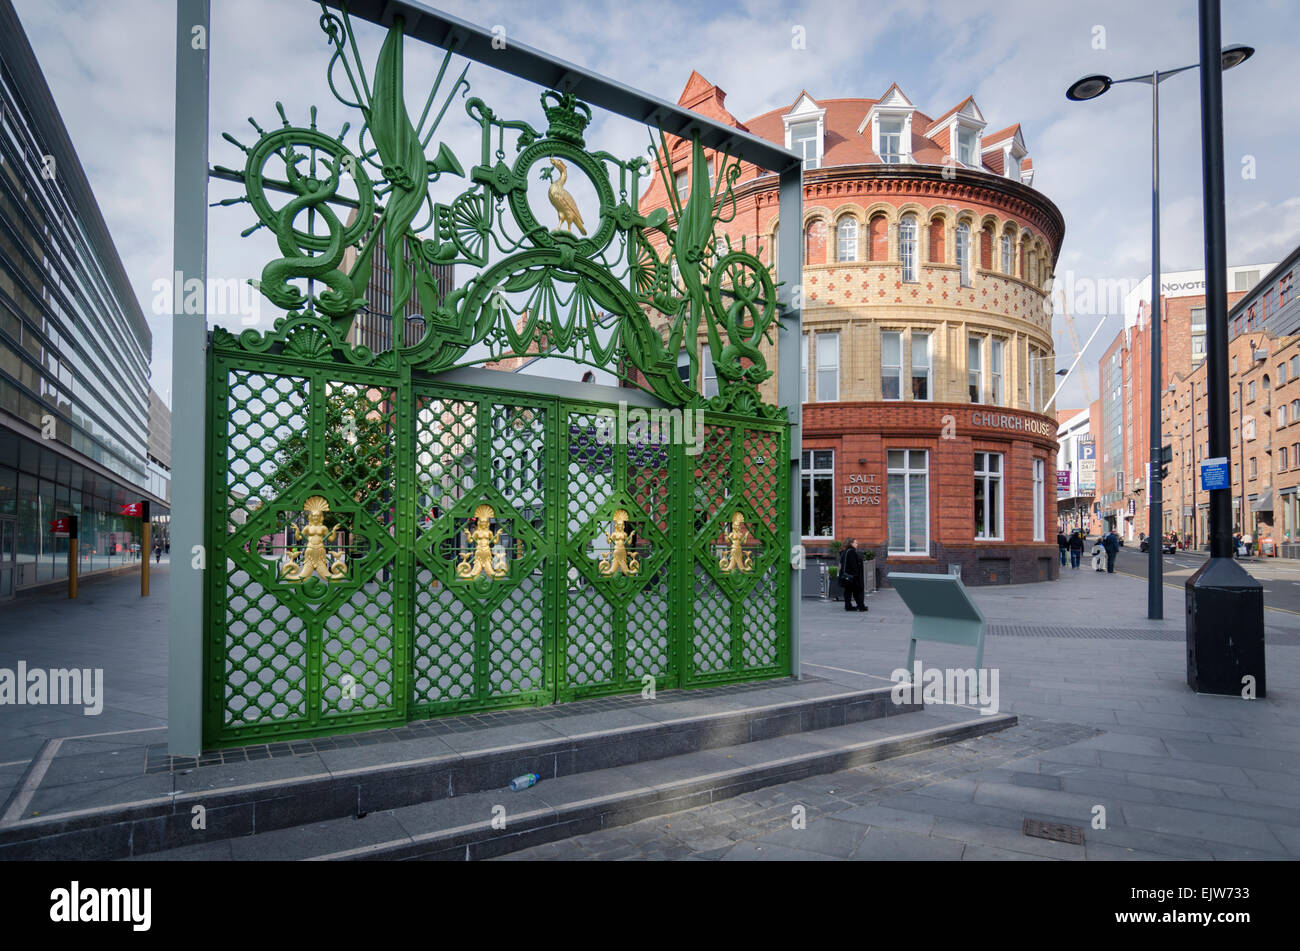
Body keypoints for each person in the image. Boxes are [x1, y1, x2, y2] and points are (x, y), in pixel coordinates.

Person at [838, 539, 868, 613]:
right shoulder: (851, 552)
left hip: (846, 576)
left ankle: (848, 606)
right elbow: (853, 564)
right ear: (851, 543)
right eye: (856, 543)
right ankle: (861, 606)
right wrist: (856, 575)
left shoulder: (844, 551)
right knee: (858, 591)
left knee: (848, 591)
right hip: (852, 576)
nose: (857, 544)